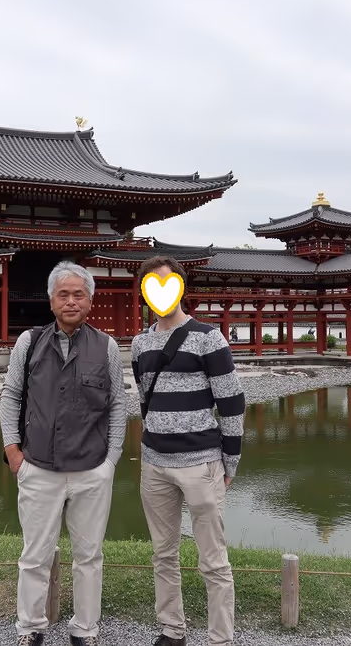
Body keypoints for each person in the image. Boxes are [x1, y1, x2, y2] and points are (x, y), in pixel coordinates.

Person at [0, 261, 127, 646]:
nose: (71, 300)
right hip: (38, 466)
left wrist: (111, 462)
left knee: (89, 556)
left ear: (90, 301)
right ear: (51, 300)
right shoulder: (30, 342)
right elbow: (11, 395)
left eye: (79, 294)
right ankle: (30, 627)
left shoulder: (106, 346)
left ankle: (84, 629)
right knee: (35, 553)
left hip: (92, 469)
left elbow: (118, 405)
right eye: (63, 294)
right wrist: (13, 453)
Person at [131, 255, 247, 646]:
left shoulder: (208, 337)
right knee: (163, 553)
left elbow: (230, 403)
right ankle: (172, 629)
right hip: (154, 463)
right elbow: (145, 399)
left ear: (181, 287)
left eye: (166, 283)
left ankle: (220, 637)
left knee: (213, 558)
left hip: (201, 461)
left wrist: (230, 460)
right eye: (151, 285)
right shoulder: (140, 343)